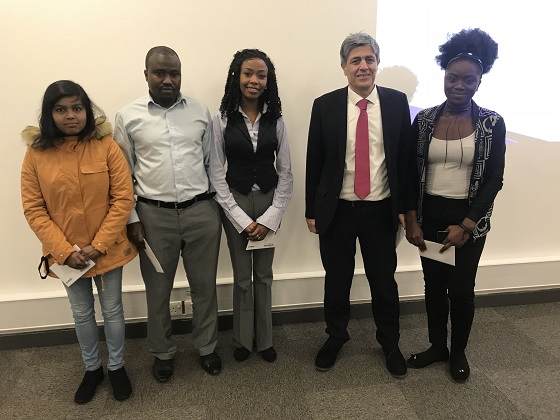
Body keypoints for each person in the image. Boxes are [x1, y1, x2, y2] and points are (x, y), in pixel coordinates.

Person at [20, 80, 137, 403]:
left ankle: (117, 367)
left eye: (77, 108)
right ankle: (92, 369)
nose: (70, 115)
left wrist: (99, 245)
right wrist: (63, 252)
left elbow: (123, 198)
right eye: (61, 109)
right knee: (82, 313)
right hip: (67, 257)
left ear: (87, 110)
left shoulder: (106, 145)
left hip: (107, 249)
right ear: (49, 113)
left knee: (112, 309)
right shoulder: (36, 154)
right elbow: (34, 208)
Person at [305, 32, 411, 377]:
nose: (363, 66)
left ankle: (390, 342)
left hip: (381, 209)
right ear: (344, 67)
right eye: (355, 61)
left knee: (384, 282)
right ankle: (336, 336)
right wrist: (311, 210)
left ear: (377, 64)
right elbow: (315, 160)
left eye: (369, 59)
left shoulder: (396, 102)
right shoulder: (325, 105)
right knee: (337, 280)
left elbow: (404, 159)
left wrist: (406, 207)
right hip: (338, 211)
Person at [114, 46, 222, 382]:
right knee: (158, 290)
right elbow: (122, 176)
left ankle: (206, 347)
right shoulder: (128, 116)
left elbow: (213, 163)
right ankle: (162, 353)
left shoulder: (199, 111)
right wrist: (132, 219)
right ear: (146, 74)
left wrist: (216, 207)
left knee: (204, 287)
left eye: (174, 73)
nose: (167, 79)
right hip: (152, 217)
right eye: (160, 72)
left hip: (201, 211)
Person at [405, 28, 506, 382]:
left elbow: (494, 179)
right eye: (452, 78)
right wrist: (411, 220)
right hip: (430, 216)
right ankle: (437, 346)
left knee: (461, 291)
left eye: (468, 80)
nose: (459, 85)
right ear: (444, 77)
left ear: (479, 81)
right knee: (433, 286)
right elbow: (410, 172)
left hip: (468, 220)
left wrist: (466, 225)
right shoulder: (424, 120)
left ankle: (458, 351)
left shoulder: (491, 123)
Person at [210, 49, 293, 363]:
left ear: (268, 81)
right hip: (236, 201)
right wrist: (240, 218)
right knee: (243, 276)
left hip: (269, 200)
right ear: (237, 77)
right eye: (248, 74)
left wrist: (273, 215)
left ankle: (266, 339)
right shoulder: (221, 119)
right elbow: (216, 173)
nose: (254, 80)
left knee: (264, 275)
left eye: (261, 75)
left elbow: (286, 171)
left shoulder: (277, 119)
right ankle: (243, 340)